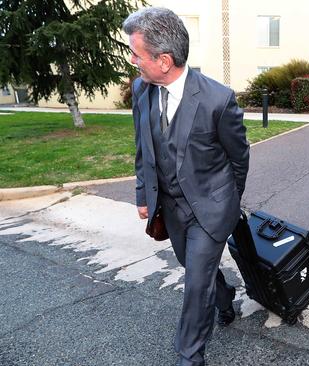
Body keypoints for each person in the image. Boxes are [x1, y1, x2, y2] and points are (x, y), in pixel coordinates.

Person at [123, 8, 249, 366]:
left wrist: (227, 201)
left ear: (164, 60)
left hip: (210, 208)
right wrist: (143, 195)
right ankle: (225, 299)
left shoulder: (218, 99)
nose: (133, 62)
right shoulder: (141, 90)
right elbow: (142, 147)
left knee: (195, 284)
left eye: (137, 54)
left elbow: (239, 158)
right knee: (195, 270)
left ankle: (189, 356)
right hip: (170, 208)